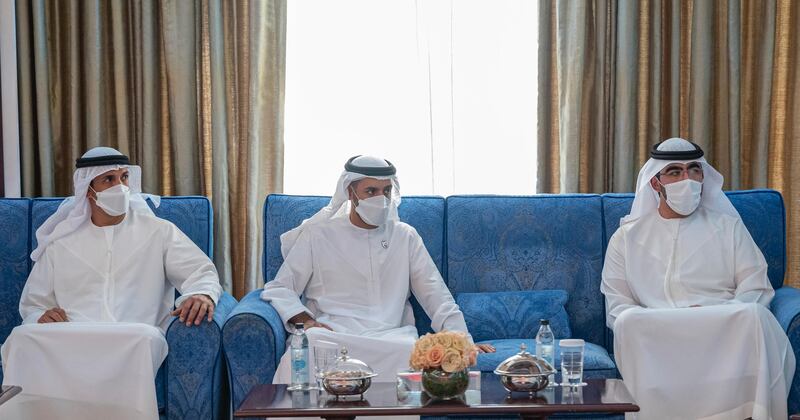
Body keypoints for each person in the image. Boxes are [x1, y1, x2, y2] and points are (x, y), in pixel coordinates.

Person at [1, 147, 222, 420]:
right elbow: (33, 304)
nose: (120, 187)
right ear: (88, 190)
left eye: (125, 178)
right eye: (109, 180)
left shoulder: (158, 231)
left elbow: (200, 271)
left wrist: (201, 294)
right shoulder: (61, 243)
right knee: (21, 338)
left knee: (144, 339)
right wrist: (40, 316)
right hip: (73, 337)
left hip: (132, 336)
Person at [601, 138, 795, 419]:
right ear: (656, 183)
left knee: (754, 314)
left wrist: (723, 311)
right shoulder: (627, 238)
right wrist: (663, 319)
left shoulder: (728, 227)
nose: (688, 179)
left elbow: (756, 285)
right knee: (629, 321)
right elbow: (617, 305)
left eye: (694, 170)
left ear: (704, 176)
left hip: (721, 325)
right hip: (660, 330)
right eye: (675, 172)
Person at [262, 155, 494, 383]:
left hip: (392, 338)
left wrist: (462, 340)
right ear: (351, 193)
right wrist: (307, 320)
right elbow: (280, 287)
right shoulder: (318, 235)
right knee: (310, 343)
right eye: (370, 191)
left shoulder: (405, 236)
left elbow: (435, 293)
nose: (380, 198)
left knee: (409, 351)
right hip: (334, 333)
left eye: (386, 191)